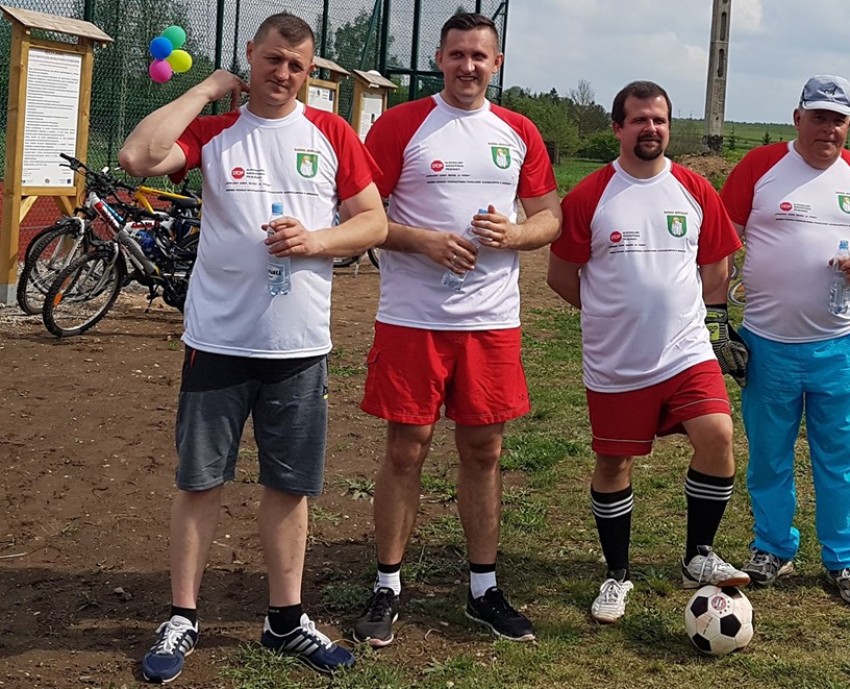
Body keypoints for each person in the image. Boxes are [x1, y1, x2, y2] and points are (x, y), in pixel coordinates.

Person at [118, 12, 387, 682]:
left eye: (297, 65)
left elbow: (373, 222)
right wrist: (207, 89)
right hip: (217, 342)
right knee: (199, 481)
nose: (283, 73)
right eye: (272, 60)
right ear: (250, 56)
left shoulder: (332, 133)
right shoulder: (215, 133)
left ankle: (285, 620)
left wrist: (316, 241)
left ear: (310, 71)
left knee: (289, 487)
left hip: (298, 346)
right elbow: (137, 158)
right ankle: (182, 616)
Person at [351, 12, 561, 646]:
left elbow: (549, 217)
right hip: (412, 319)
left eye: (479, 56)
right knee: (406, 448)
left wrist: (517, 234)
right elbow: (360, 215)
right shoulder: (401, 125)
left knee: (484, 451)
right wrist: (423, 241)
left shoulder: (518, 130)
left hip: (490, 322)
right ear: (440, 59)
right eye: (457, 54)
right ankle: (387, 584)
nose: (468, 65)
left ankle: (483, 587)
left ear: (496, 64)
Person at [547, 80, 749, 625]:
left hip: (686, 351)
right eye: (638, 119)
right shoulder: (590, 195)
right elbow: (561, 275)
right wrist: (610, 312)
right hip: (617, 359)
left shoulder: (694, 188)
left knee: (718, 436)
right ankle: (617, 573)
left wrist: (712, 323)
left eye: (658, 119)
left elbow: (716, 264)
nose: (650, 128)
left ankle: (698, 556)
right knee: (614, 462)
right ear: (618, 127)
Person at [720, 75, 850, 605]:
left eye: (838, 119)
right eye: (818, 116)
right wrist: (714, 315)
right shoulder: (760, 166)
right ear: (798, 118)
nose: (828, 128)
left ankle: (846, 560)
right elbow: (721, 239)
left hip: (841, 346)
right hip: (767, 344)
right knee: (769, 455)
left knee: (847, 456)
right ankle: (772, 546)